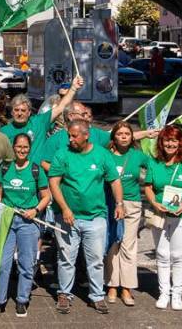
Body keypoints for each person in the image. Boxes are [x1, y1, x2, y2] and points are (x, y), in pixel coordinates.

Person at [47, 118, 122, 315]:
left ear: (86, 135)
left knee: (96, 259)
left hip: (95, 217)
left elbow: (114, 181)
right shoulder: (62, 154)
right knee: (65, 258)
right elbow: (54, 182)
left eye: (74, 136)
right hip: (67, 218)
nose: (70, 139)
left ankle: (97, 296)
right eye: (69, 135)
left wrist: (120, 203)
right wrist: (64, 208)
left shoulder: (102, 154)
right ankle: (64, 294)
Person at [142, 126, 182, 311]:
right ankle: (164, 293)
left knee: (178, 255)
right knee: (162, 254)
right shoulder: (154, 163)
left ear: (180, 143)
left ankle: (176, 295)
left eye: (174, 140)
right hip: (160, 214)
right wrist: (154, 202)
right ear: (161, 143)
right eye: (166, 140)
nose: (170, 144)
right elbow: (148, 187)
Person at [0, 133, 49, 317]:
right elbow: (0, 190)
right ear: (13, 148)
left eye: (25, 147)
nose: (22, 150)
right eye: (19, 147)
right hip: (8, 220)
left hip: (29, 222)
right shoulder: (6, 167)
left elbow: (46, 196)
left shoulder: (35, 170)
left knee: (26, 263)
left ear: (29, 148)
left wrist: (35, 210)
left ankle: (22, 300)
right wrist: (2, 205)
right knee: (3, 263)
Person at [103, 121, 146, 307]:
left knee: (128, 246)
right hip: (110, 203)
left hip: (132, 204)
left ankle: (127, 288)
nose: (123, 137)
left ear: (132, 137)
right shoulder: (105, 155)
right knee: (113, 245)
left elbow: (157, 168)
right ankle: (112, 285)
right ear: (114, 137)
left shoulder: (138, 156)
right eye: (119, 133)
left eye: (127, 134)